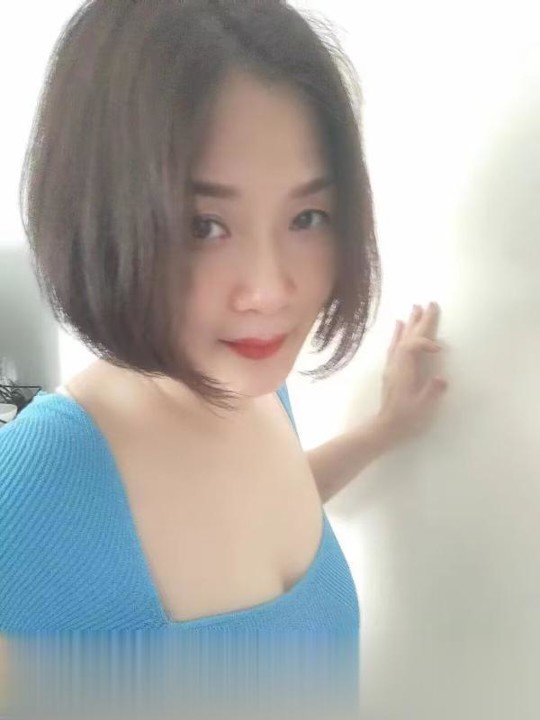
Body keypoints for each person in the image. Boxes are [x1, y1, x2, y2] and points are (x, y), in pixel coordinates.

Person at [0, 1, 447, 718]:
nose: (271, 290)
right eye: (204, 225)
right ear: (101, 218)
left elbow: (260, 512)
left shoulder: (257, 389)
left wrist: (382, 430)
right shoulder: (34, 487)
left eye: (306, 217)